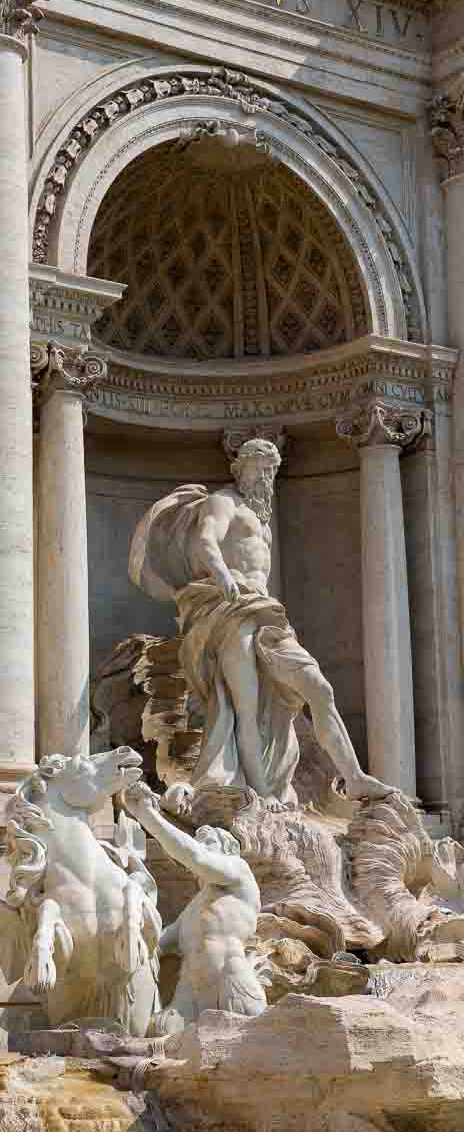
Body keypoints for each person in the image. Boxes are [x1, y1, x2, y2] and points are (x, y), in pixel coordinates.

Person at [129, 437, 397, 806]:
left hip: (264, 611)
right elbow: (207, 539)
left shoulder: (262, 521)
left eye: (270, 468)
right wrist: (222, 574)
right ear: (238, 468)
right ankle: (260, 793)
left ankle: (354, 777)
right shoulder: (223, 501)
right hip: (227, 608)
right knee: (246, 707)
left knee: (318, 687)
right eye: (256, 465)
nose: (264, 474)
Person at [123, 780, 266, 1023]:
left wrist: (147, 815)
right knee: (158, 1033)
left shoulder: (238, 874)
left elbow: (195, 856)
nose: (201, 847)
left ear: (228, 849)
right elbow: (154, 943)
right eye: (199, 842)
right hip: (188, 993)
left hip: (230, 981)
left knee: (246, 1038)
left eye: (208, 842)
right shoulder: (192, 910)